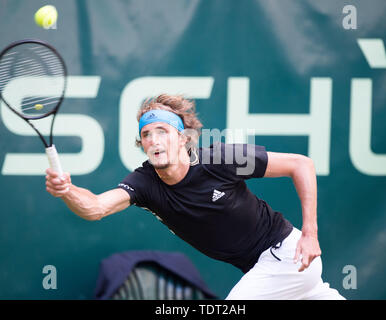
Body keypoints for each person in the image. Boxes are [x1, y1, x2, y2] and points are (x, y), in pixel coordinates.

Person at [45, 94, 345, 300]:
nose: (153, 140)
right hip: (265, 268)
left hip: (287, 255)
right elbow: (95, 207)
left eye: (162, 131)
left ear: (183, 138)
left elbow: (301, 164)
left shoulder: (221, 159)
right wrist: (67, 190)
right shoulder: (145, 182)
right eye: (146, 135)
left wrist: (310, 233)